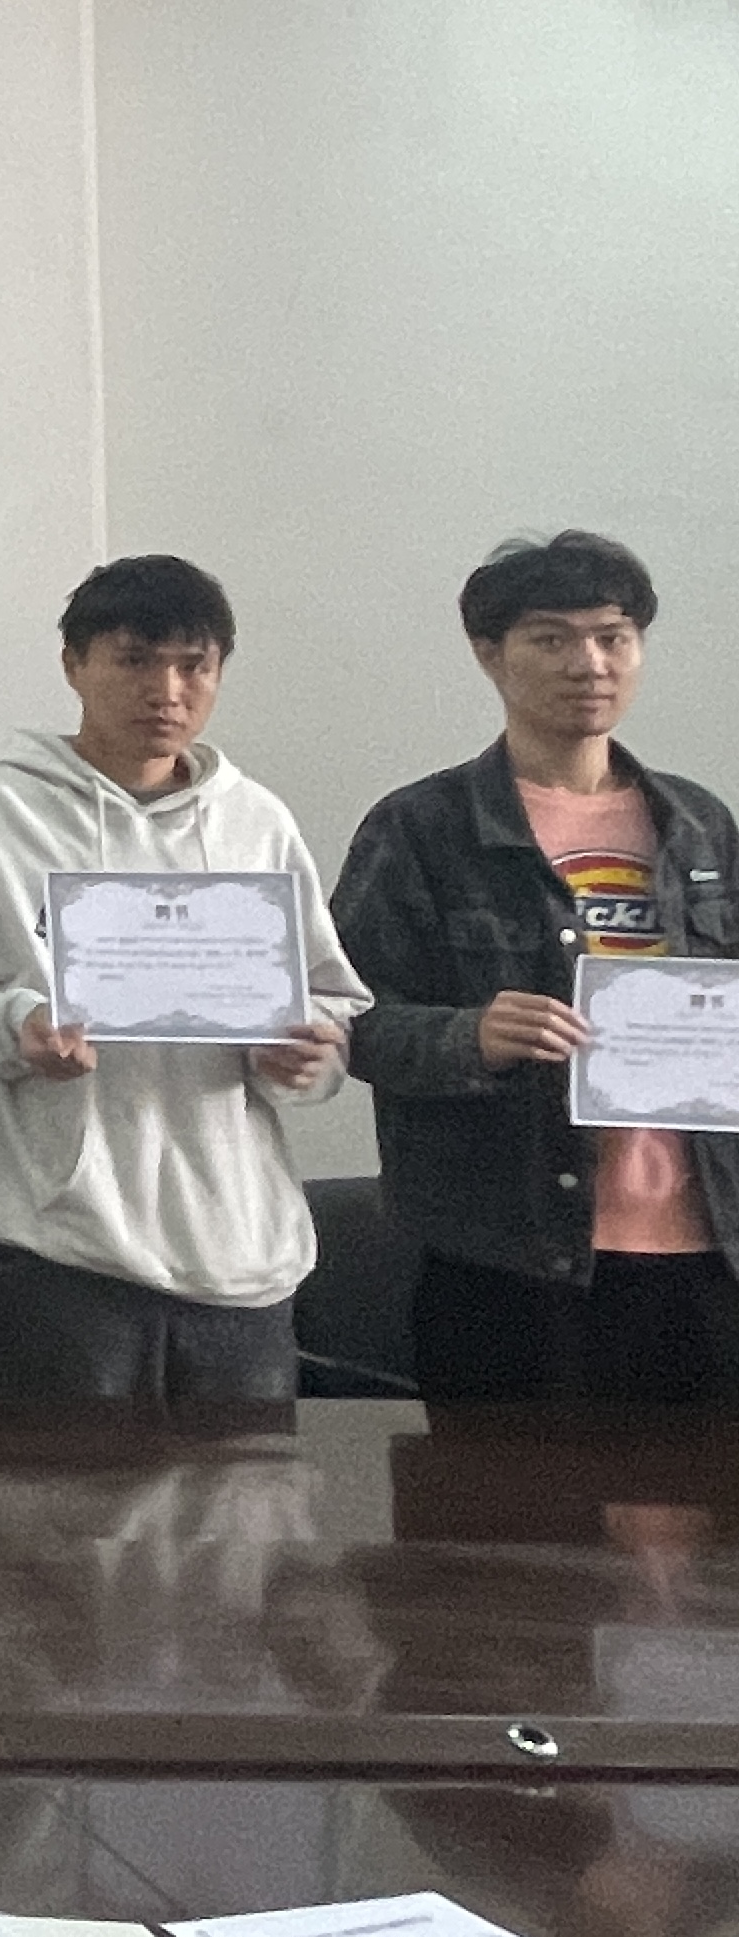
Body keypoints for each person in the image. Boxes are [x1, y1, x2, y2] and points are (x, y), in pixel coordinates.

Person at [0, 556, 365, 1403]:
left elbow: (330, 1000)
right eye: (135, 660)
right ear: (74, 664)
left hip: (239, 1252)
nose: (167, 691)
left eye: (193, 665)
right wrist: (14, 1028)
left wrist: (307, 1055)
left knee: (246, 1491)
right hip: (57, 1249)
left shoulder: (255, 821)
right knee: (54, 1490)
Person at [338, 532, 739, 1403]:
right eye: (551, 639)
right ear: (490, 654)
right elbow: (348, 1021)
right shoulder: (423, 827)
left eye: (612, 637)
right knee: (502, 1493)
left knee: (704, 1494)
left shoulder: (701, 826)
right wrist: (468, 1038)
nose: (588, 664)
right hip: (507, 1255)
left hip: (705, 1242)